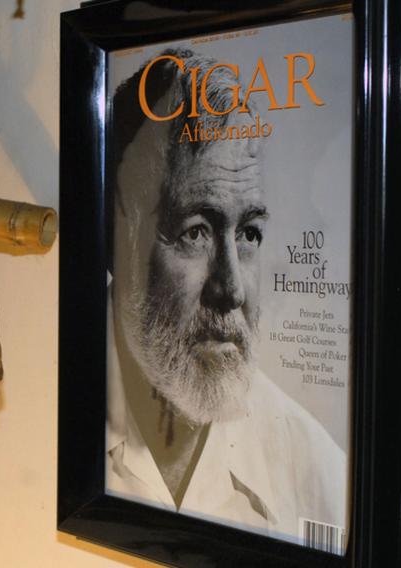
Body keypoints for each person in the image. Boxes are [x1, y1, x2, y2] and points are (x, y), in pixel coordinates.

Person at [106, 49, 347, 548]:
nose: (232, 289)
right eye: (195, 231)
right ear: (114, 236)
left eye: (249, 234)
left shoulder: (317, 475)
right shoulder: (30, 412)